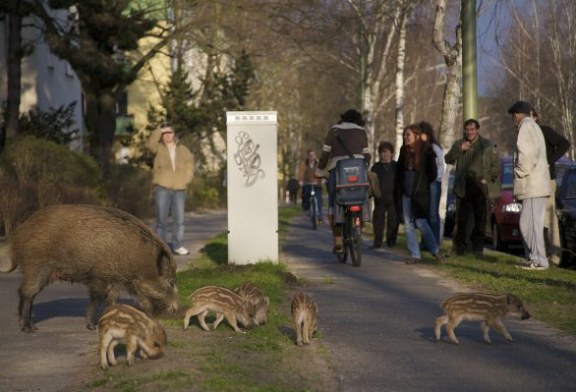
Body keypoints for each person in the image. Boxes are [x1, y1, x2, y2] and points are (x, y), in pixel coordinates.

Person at [317, 109, 371, 254]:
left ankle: (338, 240)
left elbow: (325, 155)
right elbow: (367, 156)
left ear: (343, 118)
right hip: (359, 170)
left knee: (334, 202)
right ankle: (362, 221)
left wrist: (319, 170)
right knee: (361, 193)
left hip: (338, 170)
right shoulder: (361, 131)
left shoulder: (333, 130)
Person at [444, 119, 500, 256]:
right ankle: (458, 249)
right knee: (461, 220)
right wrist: (459, 149)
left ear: (477, 130)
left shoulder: (487, 145)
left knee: (480, 220)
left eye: (472, 129)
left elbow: (496, 168)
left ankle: (477, 250)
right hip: (463, 185)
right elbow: (448, 159)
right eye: (467, 130)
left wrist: (486, 179)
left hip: (480, 185)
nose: (469, 132)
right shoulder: (459, 144)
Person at [507, 101, 551, 270]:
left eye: (513, 116)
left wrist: (519, 172)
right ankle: (536, 258)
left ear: (517, 115)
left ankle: (539, 260)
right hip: (535, 185)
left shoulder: (526, 127)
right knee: (530, 224)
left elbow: (526, 155)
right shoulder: (533, 126)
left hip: (532, 185)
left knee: (530, 224)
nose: (513, 120)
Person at [396, 124, 443, 264]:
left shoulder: (427, 150)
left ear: (416, 135)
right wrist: (401, 187)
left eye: (408, 135)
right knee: (408, 224)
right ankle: (415, 254)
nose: (405, 137)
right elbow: (399, 171)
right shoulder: (403, 150)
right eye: (404, 135)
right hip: (406, 193)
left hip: (420, 194)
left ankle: (435, 250)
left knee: (421, 222)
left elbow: (432, 173)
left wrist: (422, 186)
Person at [146, 122, 194, 256]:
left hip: (179, 188)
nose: (167, 135)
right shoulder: (158, 148)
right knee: (161, 220)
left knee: (179, 220)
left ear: (174, 134)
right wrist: (159, 130)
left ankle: (177, 245)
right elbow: (149, 145)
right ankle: (161, 248)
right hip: (162, 187)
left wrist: (186, 179)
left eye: (170, 132)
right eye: (165, 133)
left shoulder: (183, 149)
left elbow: (190, 164)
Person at [532, 110, 570, 265]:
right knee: (535, 220)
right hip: (532, 182)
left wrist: (549, 161)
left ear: (535, 117)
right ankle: (541, 255)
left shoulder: (544, 131)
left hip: (547, 180)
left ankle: (554, 256)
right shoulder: (524, 136)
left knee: (549, 218)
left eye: (530, 117)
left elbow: (564, 143)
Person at [419, 121, 445, 245]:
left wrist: (435, 178)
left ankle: (434, 242)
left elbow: (441, 165)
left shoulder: (434, 148)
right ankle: (426, 241)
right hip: (423, 184)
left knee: (433, 213)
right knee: (424, 213)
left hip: (434, 183)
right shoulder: (419, 148)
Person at [370, 141, 399, 248]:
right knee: (378, 221)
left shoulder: (396, 166)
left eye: (387, 152)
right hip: (379, 198)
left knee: (393, 220)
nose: (385, 154)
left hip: (393, 198)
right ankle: (377, 241)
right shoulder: (376, 167)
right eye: (382, 152)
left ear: (391, 153)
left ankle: (391, 241)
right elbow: (371, 183)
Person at [298, 150, 324, 223]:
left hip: (317, 184)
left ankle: (320, 216)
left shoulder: (318, 163)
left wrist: (323, 179)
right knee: (306, 196)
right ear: (308, 156)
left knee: (318, 199)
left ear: (315, 156)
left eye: (313, 155)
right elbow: (301, 172)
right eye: (310, 155)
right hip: (308, 183)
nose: (311, 157)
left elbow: (322, 172)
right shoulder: (304, 164)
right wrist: (300, 181)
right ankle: (307, 208)